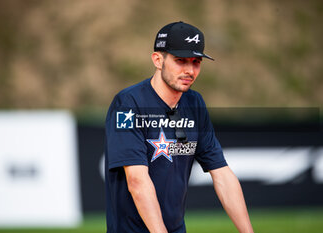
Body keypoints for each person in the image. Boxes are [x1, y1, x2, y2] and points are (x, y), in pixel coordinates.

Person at [105, 21, 254, 233]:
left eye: (196, 62)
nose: (189, 70)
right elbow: (137, 181)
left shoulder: (194, 103)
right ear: (158, 60)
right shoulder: (128, 104)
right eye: (180, 60)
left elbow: (222, 173)